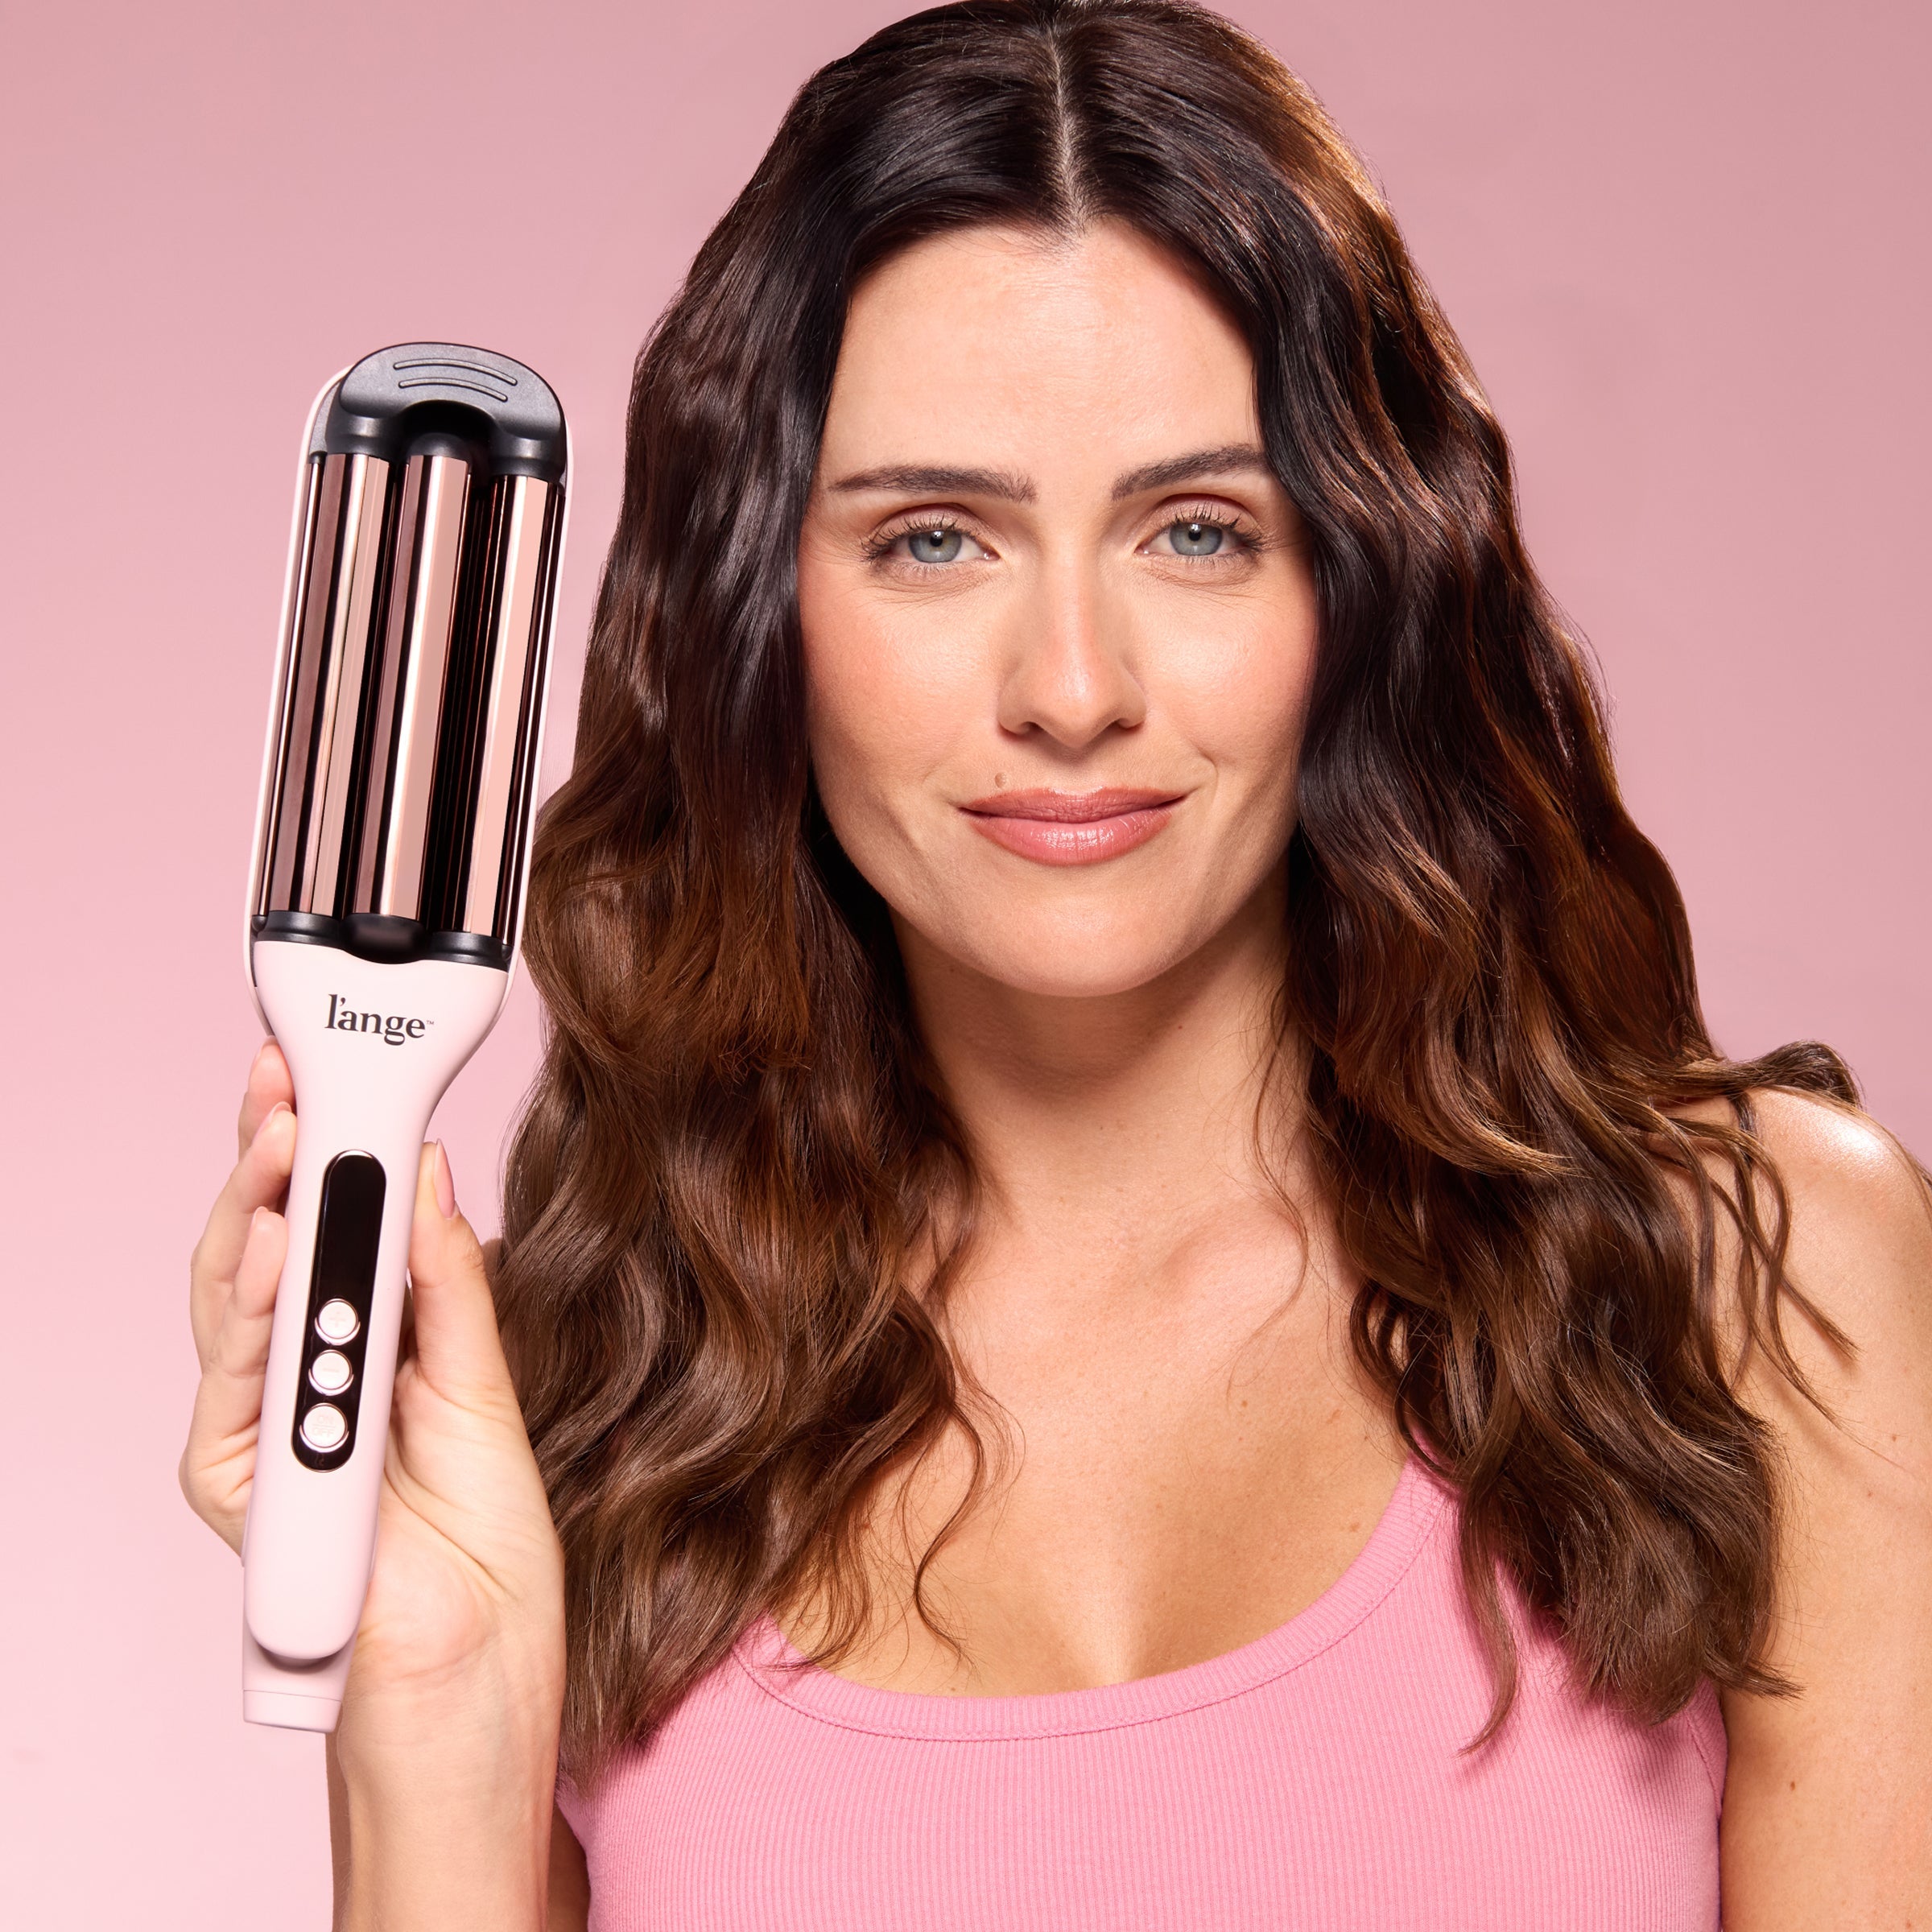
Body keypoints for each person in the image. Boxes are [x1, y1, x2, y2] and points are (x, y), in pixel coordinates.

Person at [181, 2, 1932, 1924]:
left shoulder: (1758, 1297)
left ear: (1356, 588)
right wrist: (431, 1706)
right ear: (766, 616)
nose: (1075, 691)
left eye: (1197, 530)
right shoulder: (564, 1420)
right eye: (936, 541)